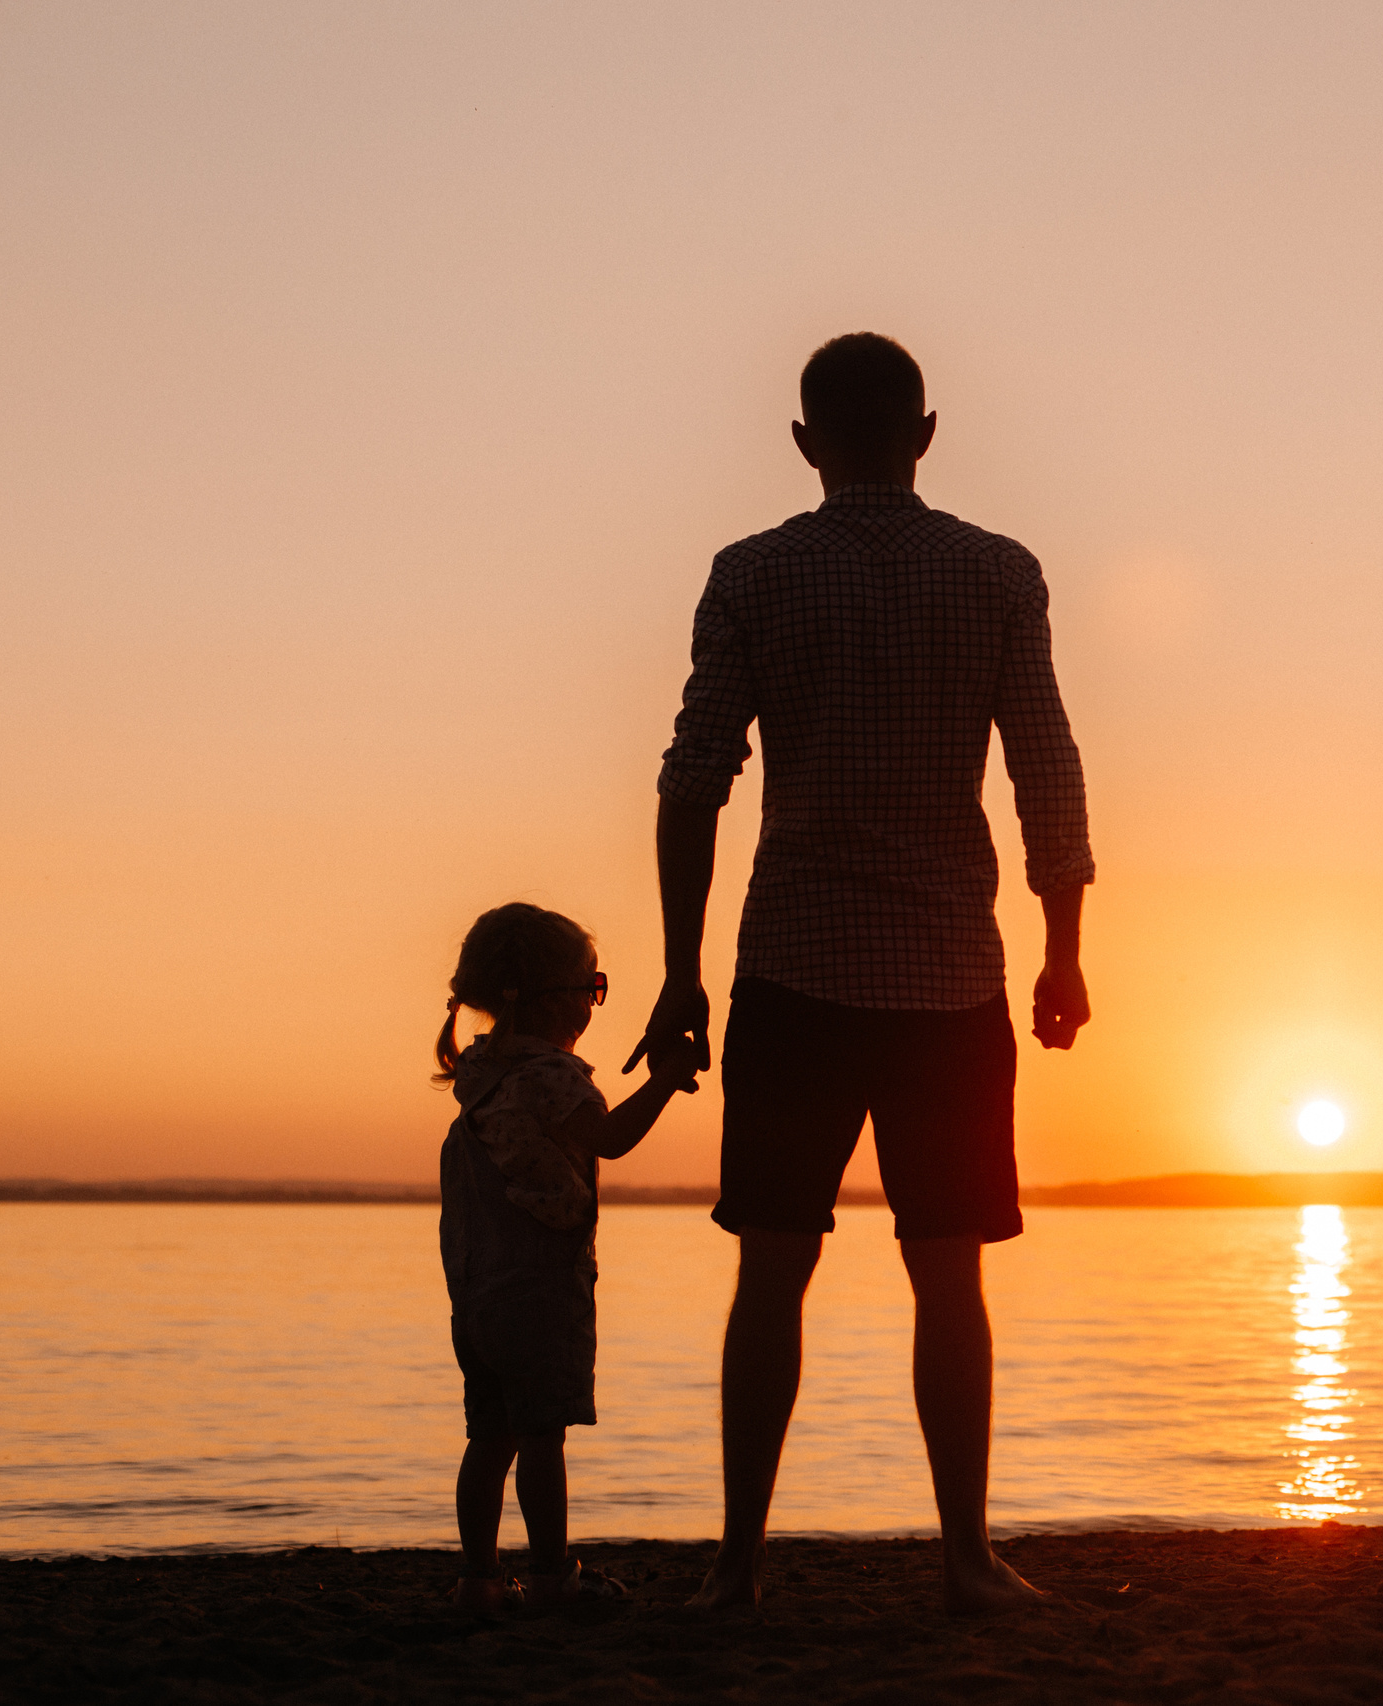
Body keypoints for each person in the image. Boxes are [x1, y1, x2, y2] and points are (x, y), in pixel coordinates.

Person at [633, 332, 1093, 1612]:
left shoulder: (753, 573)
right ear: (927, 433)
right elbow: (1044, 763)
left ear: (803, 444)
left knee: (770, 1269)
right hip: (951, 975)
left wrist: (680, 973)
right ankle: (963, 1556)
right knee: (950, 1271)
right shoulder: (998, 571)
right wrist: (1065, 950)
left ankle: (735, 1567)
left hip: (792, 966)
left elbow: (692, 779)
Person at [434, 902, 704, 1613]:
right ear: (551, 998)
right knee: (543, 1439)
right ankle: (553, 1575)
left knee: (489, 1438)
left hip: (479, 1295)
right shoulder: (550, 1077)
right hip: (538, 1290)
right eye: (591, 989)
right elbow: (607, 1138)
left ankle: (479, 1577)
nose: (593, 1003)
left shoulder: (483, 1074)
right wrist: (667, 1081)